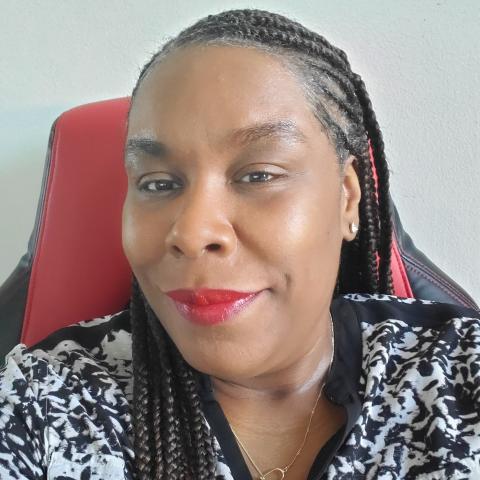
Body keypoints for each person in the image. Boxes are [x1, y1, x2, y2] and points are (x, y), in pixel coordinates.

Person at [0, 8, 479, 480]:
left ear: (347, 198)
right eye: (158, 183)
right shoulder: (44, 401)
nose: (192, 234)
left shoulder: (459, 375)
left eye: (259, 175)